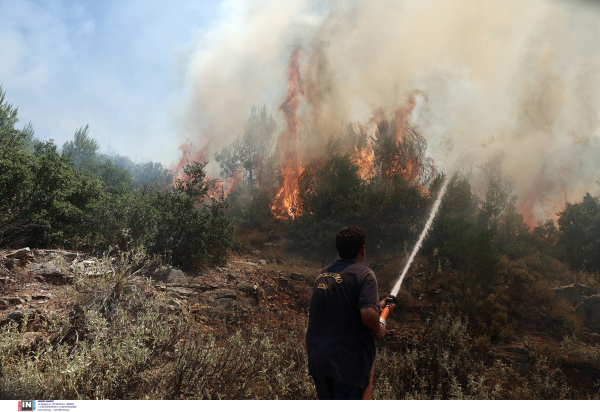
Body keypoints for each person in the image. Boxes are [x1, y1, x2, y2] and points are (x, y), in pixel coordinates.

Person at [306, 226, 395, 400]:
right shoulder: (365, 274)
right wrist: (379, 330)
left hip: (320, 359)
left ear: (338, 248)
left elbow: (338, 304)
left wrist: (378, 305)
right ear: (362, 249)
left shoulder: (323, 274)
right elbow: (368, 315)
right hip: (346, 363)